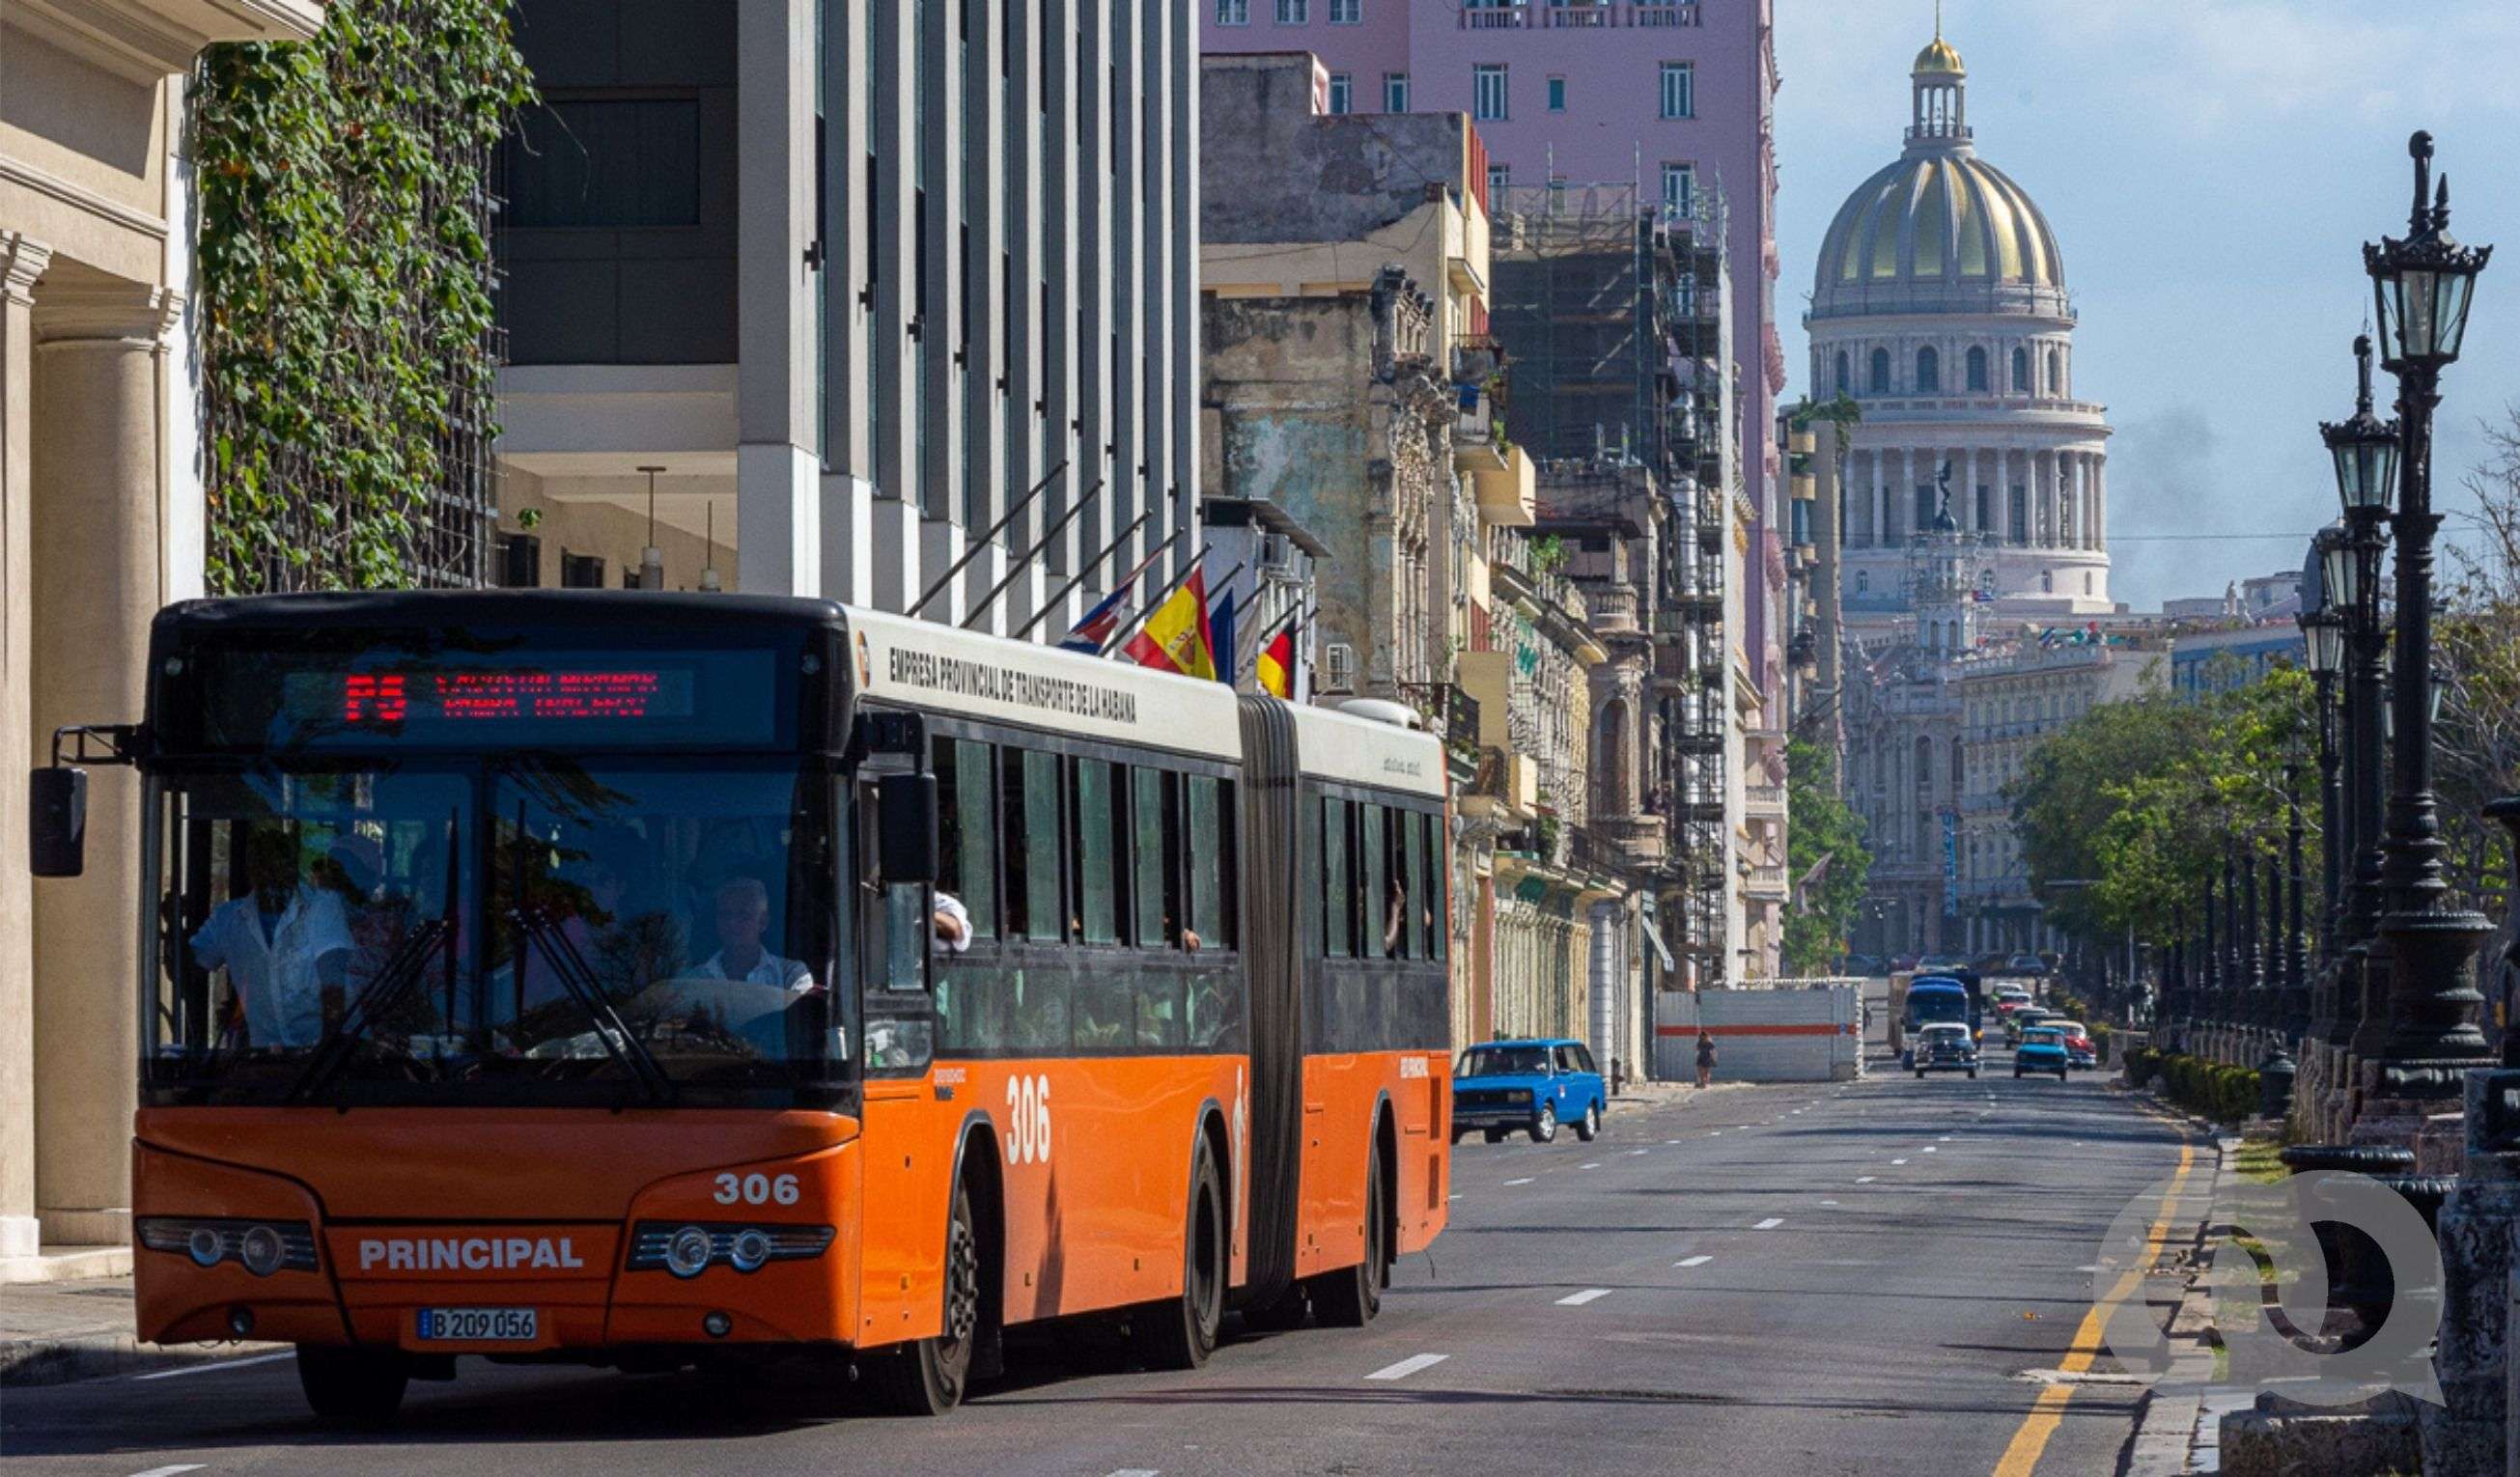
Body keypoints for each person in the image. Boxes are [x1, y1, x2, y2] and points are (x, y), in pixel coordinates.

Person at [190, 827, 354, 1049]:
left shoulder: (322, 908)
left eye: (280, 864)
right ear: (251, 870)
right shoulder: (228, 919)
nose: (271, 873)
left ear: (293, 868)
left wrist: (325, 1054)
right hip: (266, 1064)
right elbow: (193, 967)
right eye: (262, 864)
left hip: (326, 1061)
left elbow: (334, 987)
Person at [696, 877, 816, 990]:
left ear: (763, 922)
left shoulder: (791, 976)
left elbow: (807, 1007)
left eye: (743, 915)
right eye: (725, 914)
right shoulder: (694, 980)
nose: (732, 923)